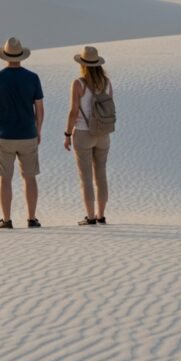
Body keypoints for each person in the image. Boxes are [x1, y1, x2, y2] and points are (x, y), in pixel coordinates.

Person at [0, 37, 45, 229]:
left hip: (4, 135)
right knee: (30, 177)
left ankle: (6, 219)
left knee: (5, 179)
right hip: (28, 134)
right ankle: (32, 218)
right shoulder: (32, 77)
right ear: (21, 55)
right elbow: (39, 108)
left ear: (5, 56)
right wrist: (38, 130)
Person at [63, 46, 112, 226]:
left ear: (82, 64)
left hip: (83, 133)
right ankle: (101, 215)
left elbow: (73, 111)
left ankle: (90, 216)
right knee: (101, 175)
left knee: (86, 177)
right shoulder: (107, 83)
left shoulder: (79, 83)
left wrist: (67, 133)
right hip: (103, 133)